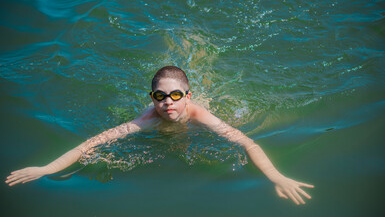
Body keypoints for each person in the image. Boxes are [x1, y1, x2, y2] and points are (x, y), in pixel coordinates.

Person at [5, 66, 314, 205]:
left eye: (176, 95)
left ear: (188, 97)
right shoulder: (146, 120)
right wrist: (46, 169)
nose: (168, 102)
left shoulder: (199, 115)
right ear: (152, 98)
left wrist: (276, 176)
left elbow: (247, 142)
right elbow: (89, 145)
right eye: (160, 96)